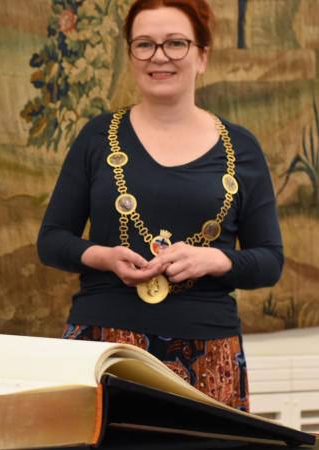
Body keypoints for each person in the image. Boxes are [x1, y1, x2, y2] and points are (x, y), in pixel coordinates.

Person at [37, 0, 282, 411]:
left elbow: (270, 261)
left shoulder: (242, 149)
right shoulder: (96, 139)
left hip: (210, 352)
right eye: (144, 45)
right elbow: (51, 241)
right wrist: (103, 256)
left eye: (176, 44)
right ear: (131, 55)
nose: (159, 57)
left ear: (202, 56)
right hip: (104, 349)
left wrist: (214, 261)